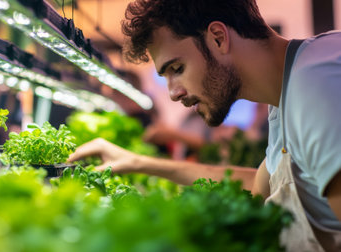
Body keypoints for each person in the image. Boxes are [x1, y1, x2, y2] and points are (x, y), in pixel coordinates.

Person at [68, 0, 341, 250]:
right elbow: (258, 187)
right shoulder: (286, 94)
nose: (173, 93)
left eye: (177, 69)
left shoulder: (317, 84)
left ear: (218, 38)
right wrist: (138, 162)